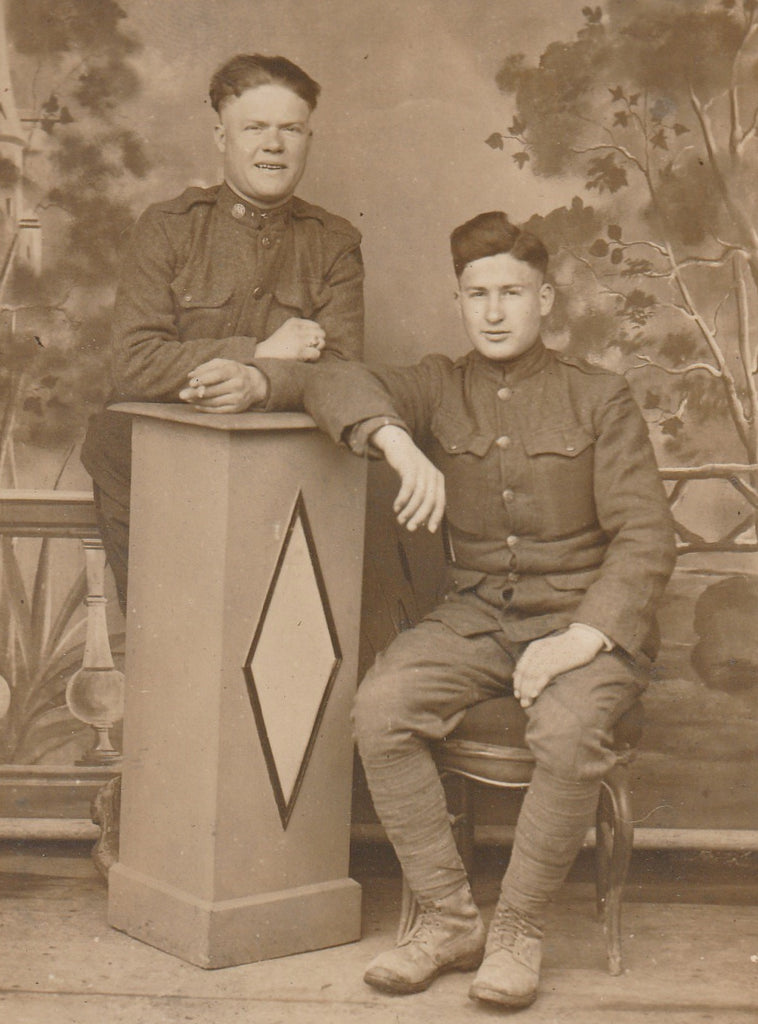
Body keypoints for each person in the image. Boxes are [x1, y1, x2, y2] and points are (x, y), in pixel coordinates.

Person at [247, 211, 676, 1009]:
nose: (493, 310)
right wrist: (396, 442)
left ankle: (517, 929)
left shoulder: (598, 396)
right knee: (381, 708)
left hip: (588, 625)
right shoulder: (438, 385)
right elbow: (329, 378)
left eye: (511, 291)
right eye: (476, 293)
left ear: (546, 299)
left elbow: (647, 538)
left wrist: (582, 638)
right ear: (460, 301)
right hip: (478, 618)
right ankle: (449, 920)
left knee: (566, 726)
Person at [81, 53, 363, 612]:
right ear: (221, 136)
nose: (273, 145)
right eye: (254, 128)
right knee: (171, 641)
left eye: (291, 129)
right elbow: (133, 363)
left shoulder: (334, 243)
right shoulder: (168, 229)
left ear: (309, 137)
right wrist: (261, 349)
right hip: (152, 478)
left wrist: (260, 382)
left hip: (279, 479)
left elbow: (346, 374)